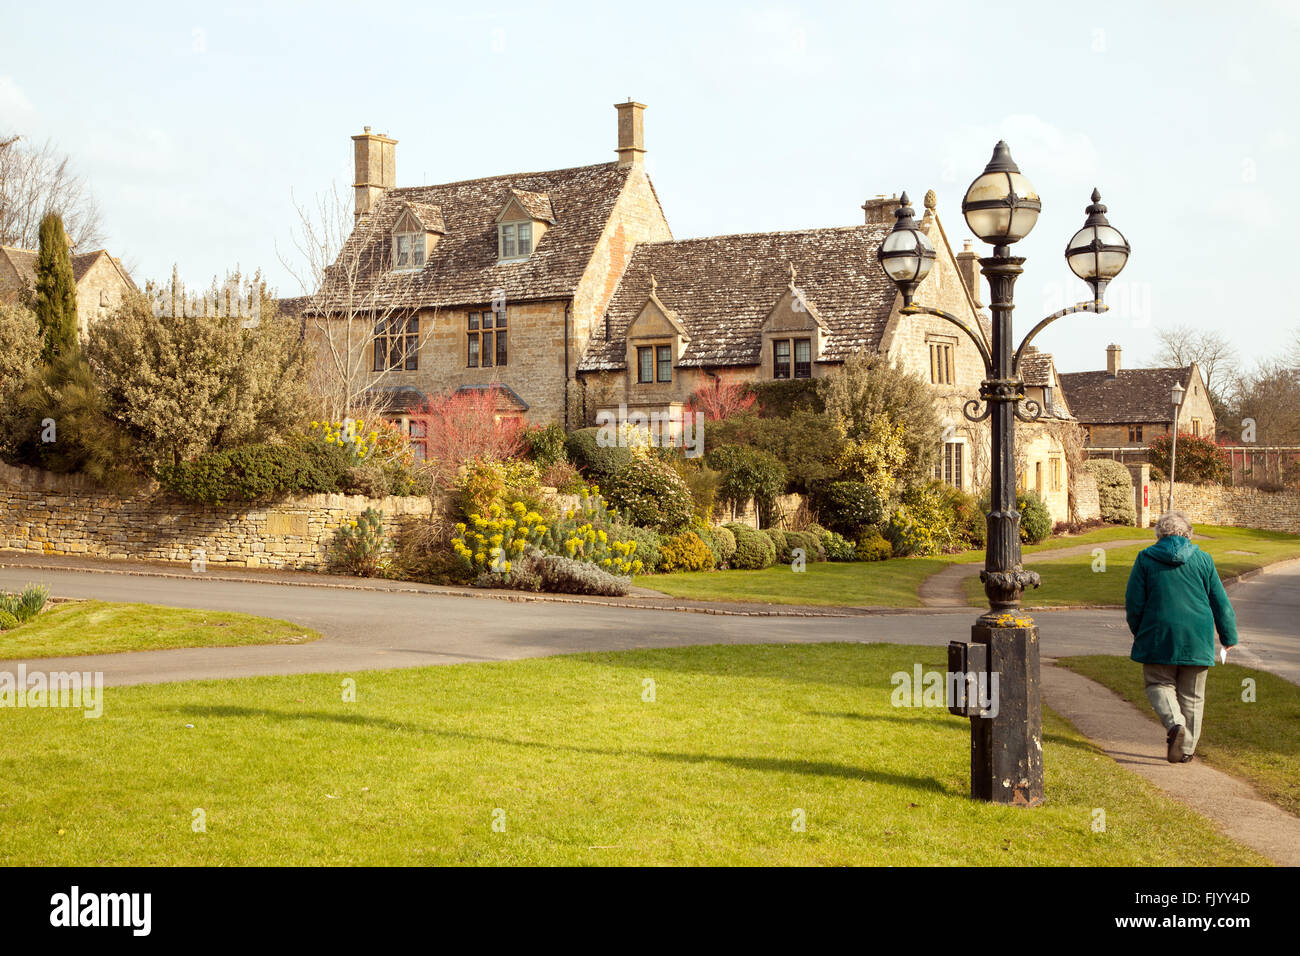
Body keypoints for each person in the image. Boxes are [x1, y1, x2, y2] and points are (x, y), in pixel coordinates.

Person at [1124, 511, 1238, 763]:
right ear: (1188, 534)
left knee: (1158, 684)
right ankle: (1186, 750)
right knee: (1193, 695)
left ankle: (1175, 724)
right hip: (1198, 639)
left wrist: (1140, 631)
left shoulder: (1145, 559)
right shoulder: (1203, 560)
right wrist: (1228, 636)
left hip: (1158, 636)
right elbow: (1220, 603)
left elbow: (1134, 603)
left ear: (1159, 534)